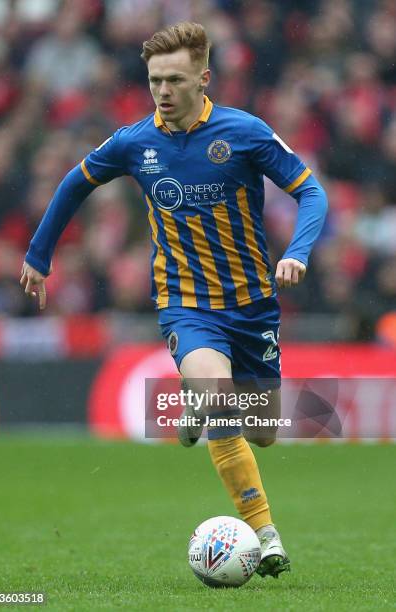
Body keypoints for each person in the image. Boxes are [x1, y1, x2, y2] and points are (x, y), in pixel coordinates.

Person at [20, 22, 328, 578]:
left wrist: (299, 251)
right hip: (187, 304)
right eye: (154, 80)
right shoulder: (136, 141)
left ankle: (197, 401)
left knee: (262, 429)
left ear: (204, 79)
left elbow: (310, 190)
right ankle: (266, 534)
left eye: (174, 80)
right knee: (218, 399)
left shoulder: (245, 132)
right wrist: (40, 256)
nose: (162, 91)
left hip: (253, 303)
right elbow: (74, 182)